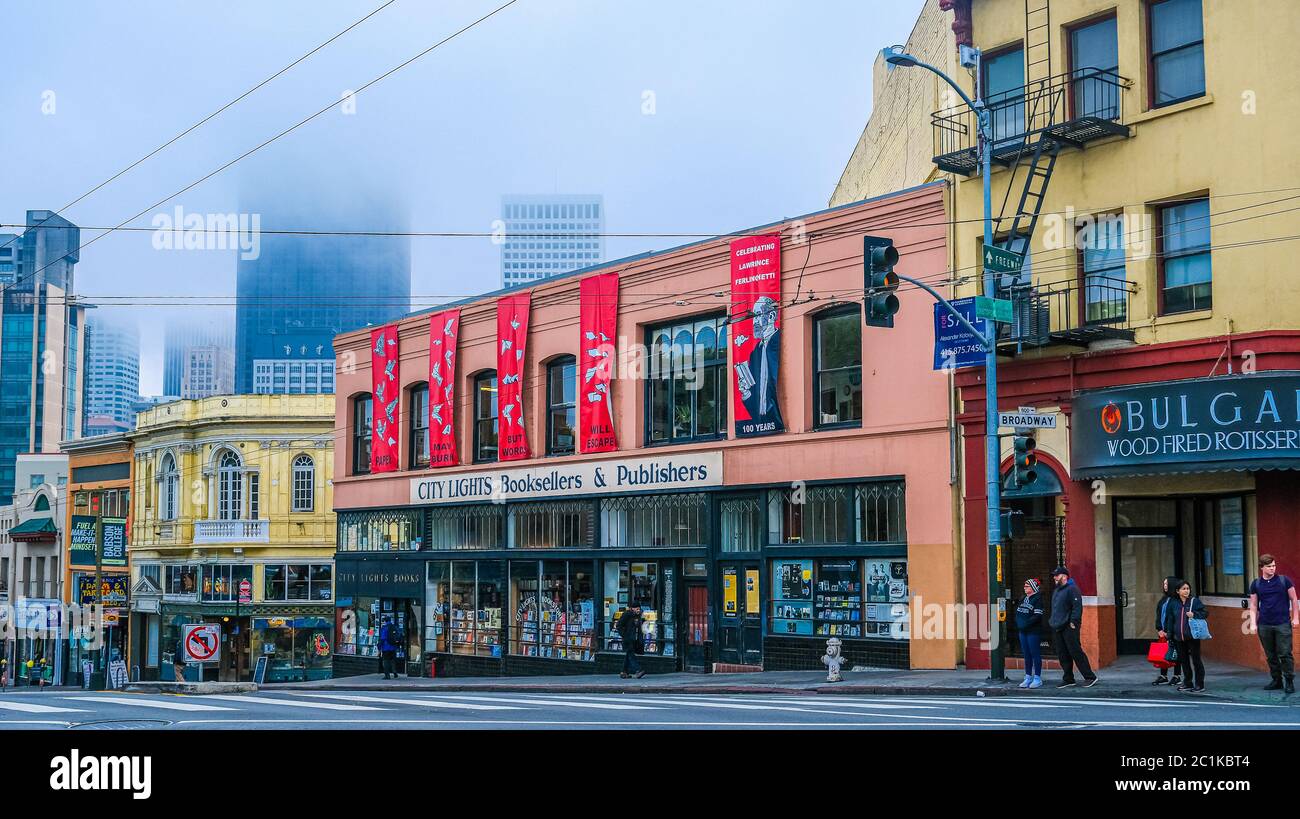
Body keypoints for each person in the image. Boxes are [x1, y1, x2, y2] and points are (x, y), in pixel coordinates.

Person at [1249, 554, 1298, 692]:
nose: (1272, 568)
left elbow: (1294, 599)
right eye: (1269, 566)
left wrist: (1295, 618)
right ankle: (1277, 680)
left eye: (1274, 566)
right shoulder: (1256, 584)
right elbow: (1253, 605)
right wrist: (1253, 623)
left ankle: (1289, 681)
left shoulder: (1284, 581)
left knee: (1285, 653)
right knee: (1271, 655)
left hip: (1282, 623)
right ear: (1262, 568)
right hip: (1264, 624)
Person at [737, 296, 784, 432]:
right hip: (761, 425)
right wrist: (745, 393)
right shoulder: (755, 353)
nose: (754, 322)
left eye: (757, 315)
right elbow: (755, 403)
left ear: (771, 316)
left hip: (776, 420)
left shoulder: (778, 341)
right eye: (753, 316)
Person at [1048, 566, 1098, 689]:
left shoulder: (1072, 589)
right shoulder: (1057, 590)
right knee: (1062, 653)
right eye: (1054, 575)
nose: (1054, 577)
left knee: (1075, 651)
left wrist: (1073, 622)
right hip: (1057, 626)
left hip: (1069, 626)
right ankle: (1068, 678)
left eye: (1057, 575)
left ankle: (1090, 677)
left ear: (1064, 576)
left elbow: (1077, 607)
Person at [1166, 579, 1208, 693]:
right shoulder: (1174, 603)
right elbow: (1170, 619)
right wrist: (1169, 634)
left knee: (1196, 660)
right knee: (1184, 660)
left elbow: (1205, 613)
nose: (1186, 591)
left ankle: (1199, 684)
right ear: (1177, 591)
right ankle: (1187, 682)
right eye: (1183, 589)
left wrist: (1194, 614)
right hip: (1178, 637)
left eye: (1188, 589)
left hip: (1192, 636)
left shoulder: (1194, 602)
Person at [1014, 578, 1044, 689]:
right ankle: (1028, 677)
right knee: (1026, 654)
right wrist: (1019, 623)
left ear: (1033, 587)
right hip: (1022, 631)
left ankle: (1037, 678)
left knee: (1034, 653)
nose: (1024, 587)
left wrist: (1026, 623)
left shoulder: (1038, 599)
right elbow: (1018, 613)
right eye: (1024, 586)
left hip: (1033, 631)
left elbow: (1037, 616)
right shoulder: (1023, 598)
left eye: (1027, 586)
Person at [1153, 575, 1183, 688]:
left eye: (1167, 584)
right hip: (1163, 631)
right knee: (1164, 653)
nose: (1165, 586)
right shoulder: (1163, 600)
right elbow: (1159, 615)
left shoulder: (1177, 600)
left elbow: (1174, 617)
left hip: (1173, 631)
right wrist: (1159, 629)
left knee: (1176, 653)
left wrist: (1169, 631)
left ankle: (1177, 675)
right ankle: (1163, 675)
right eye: (1164, 584)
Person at [616, 603, 646, 679]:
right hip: (627, 638)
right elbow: (619, 625)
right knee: (630, 654)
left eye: (639, 609)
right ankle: (638, 669)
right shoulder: (626, 614)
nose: (638, 610)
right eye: (637, 609)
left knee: (628, 655)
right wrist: (624, 635)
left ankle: (624, 672)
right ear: (632, 608)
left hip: (634, 639)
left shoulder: (638, 616)